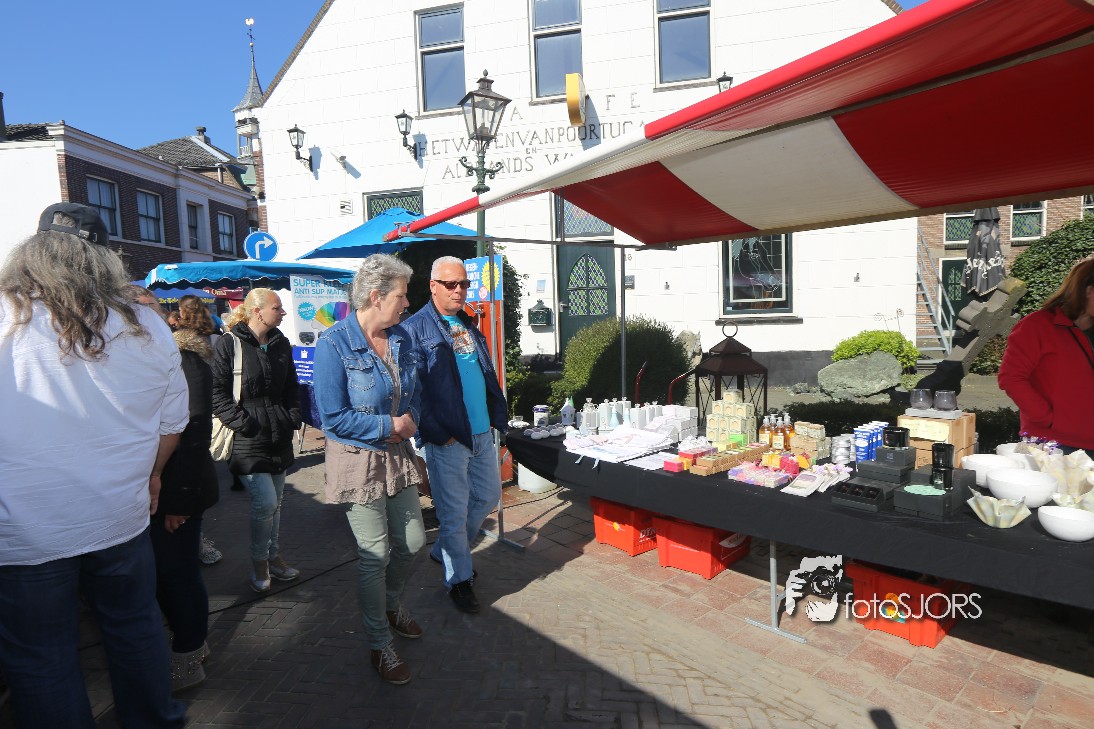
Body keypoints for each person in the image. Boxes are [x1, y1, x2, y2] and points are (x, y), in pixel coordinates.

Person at [0, 203, 188, 727]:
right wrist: (153, 474)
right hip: (118, 516)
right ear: (105, 259)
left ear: (33, 252)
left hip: (27, 530)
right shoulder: (146, 324)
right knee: (135, 627)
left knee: (42, 656)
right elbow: (172, 424)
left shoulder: (6, 317)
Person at [313, 254, 425, 685]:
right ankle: (380, 643)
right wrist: (388, 426)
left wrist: (409, 419)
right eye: (401, 295)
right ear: (377, 296)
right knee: (374, 554)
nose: (407, 303)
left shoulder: (401, 338)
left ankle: (391, 604)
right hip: (356, 460)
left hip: (396, 455)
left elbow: (415, 393)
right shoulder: (334, 343)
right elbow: (332, 418)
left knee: (412, 542)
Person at [402, 256, 508, 615]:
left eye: (464, 283)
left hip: (480, 431)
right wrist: (436, 432)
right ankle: (459, 580)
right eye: (451, 284)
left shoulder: (466, 323)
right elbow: (413, 391)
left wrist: (494, 417)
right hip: (447, 437)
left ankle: (446, 549)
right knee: (452, 512)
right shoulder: (414, 329)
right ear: (433, 286)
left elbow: (483, 373)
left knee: (488, 495)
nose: (459, 290)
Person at [144, 293, 221, 692]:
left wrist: (178, 501)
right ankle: (190, 640)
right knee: (163, 574)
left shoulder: (185, 361)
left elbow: (193, 435)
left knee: (177, 575)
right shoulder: (146, 360)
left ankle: (189, 654)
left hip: (176, 493)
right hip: (153, 494)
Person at [211, 288, 302, 592]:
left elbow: (291, 385)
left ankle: (274, 556)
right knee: (265, 503)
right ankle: (259, 560)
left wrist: (292, 416)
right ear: (257, 311)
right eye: (277, 308)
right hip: (248, 437)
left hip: (278, 434)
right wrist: (244, 424)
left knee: (276, 503)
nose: (283, 312)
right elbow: (217, 393)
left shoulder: (280, 343)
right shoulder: (229, 343)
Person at [999, 257, 1094, 457]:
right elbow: (1011, 378)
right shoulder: (1037, 325)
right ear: (1088, 290)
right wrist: (1047, 419)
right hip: (1048, 443)